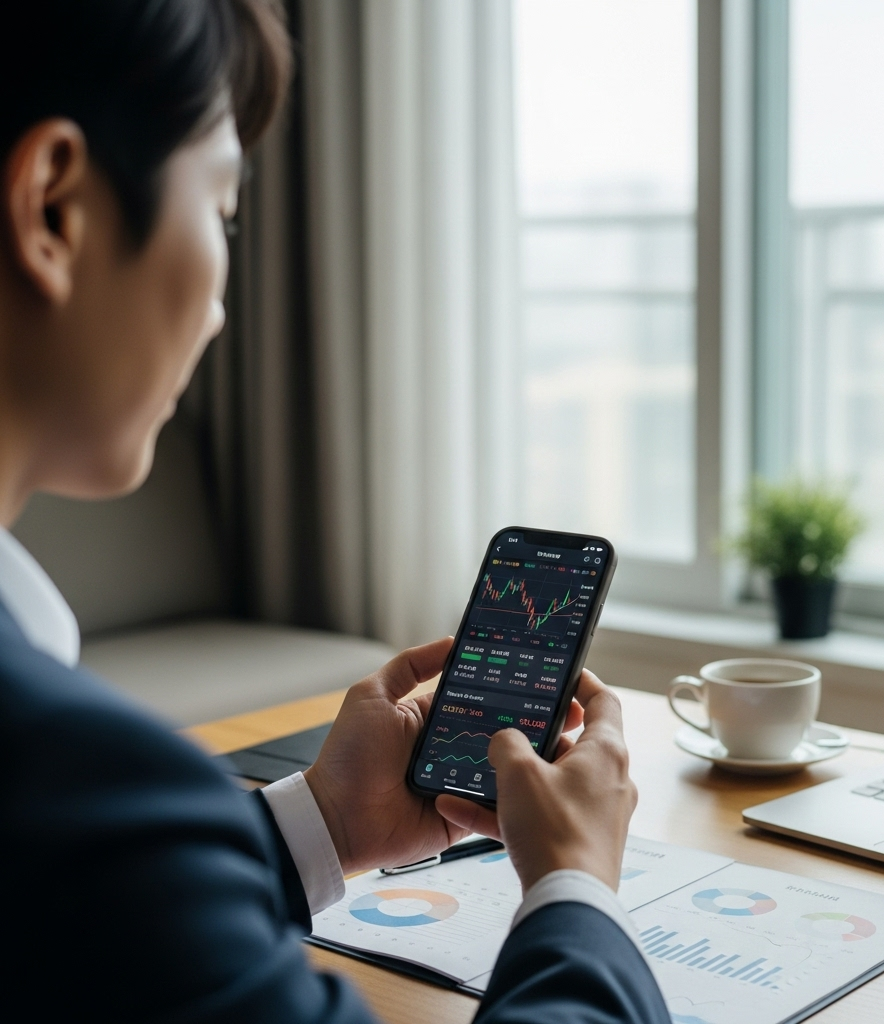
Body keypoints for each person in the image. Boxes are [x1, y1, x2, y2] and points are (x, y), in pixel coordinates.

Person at [0, 2, 669, 1022]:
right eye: (221, 212)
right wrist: (575, 886)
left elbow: (83, 939)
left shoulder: (82, 826)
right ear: (54, 209)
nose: (223, 302)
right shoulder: (71, 785)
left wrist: (325, 824)